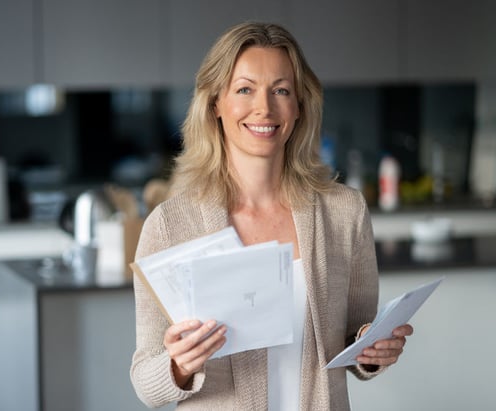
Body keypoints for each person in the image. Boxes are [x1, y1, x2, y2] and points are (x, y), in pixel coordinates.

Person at [130, 21, 413, 410]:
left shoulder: (344, 212)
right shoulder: (168, 225)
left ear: (299, 107)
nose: (264, 108)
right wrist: (179, 365)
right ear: (216, 103)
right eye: (244, 89)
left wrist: (372, 349)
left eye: (281, 90)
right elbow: (146, 382)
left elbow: (356, 336)